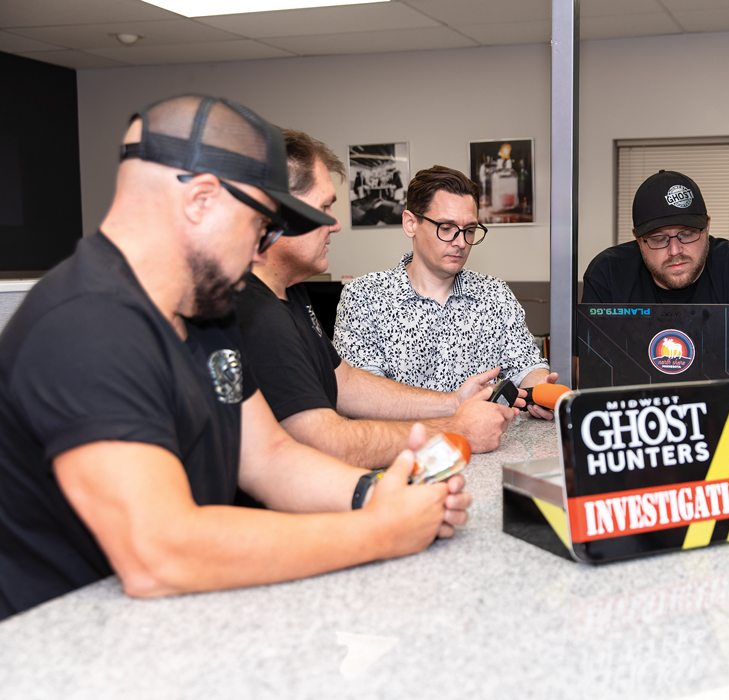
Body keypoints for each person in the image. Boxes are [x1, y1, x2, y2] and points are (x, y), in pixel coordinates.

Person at [0, 95, 469, 621]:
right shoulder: (85, 328)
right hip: (66, 639)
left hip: (179, 617)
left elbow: (269, 457)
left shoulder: (208, 307)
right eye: (260, 226)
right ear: (201, 200)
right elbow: (159, 552)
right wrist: (377, 531)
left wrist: (381, 494)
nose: (261, 247)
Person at [236, 129, 517, 466]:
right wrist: (456, 428)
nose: (336, 224)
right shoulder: (253, 312)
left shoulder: (292, 293)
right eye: (323, 207)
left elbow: (346, 383)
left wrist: (454, 401)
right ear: (274, 211)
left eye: (468, 230)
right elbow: (327, 443)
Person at [333, 165, 558, 420]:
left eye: (470, 230)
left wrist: (540, 389)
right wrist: (454, 405)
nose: (461, 242)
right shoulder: (364, 297)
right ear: (410, 223)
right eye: (447, 227)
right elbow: (362, 397)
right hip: (404, 452)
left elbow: (527, 365)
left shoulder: (495, 294)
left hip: (490, 452)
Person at [581, 170, 729, 375]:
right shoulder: (608, 274)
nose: (675, 251)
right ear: (638, 240)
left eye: (687, 234)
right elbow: (591, 377)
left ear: (707, 228)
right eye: (658, 238)